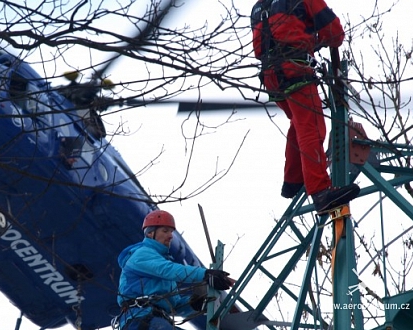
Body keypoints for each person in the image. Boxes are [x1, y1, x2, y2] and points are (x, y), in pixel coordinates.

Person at [250, 0, 360, 213]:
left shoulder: (259, 6)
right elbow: (335, 34)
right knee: (312, 127)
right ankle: (321, 192)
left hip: (272, 77)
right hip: (295, 71)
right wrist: (316, 39)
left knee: (299, 123)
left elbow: (271, 39)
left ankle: (293, 180)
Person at [115, 210, 234, 330]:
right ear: (150, 233)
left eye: (171, 232)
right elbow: (168, 270)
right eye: (165, 231)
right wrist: (205, 274)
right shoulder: (142, 254)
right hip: (139, 320)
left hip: (155, 321)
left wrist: (193, 303)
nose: (171, 236)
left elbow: (174, 305)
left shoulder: (160, 264)